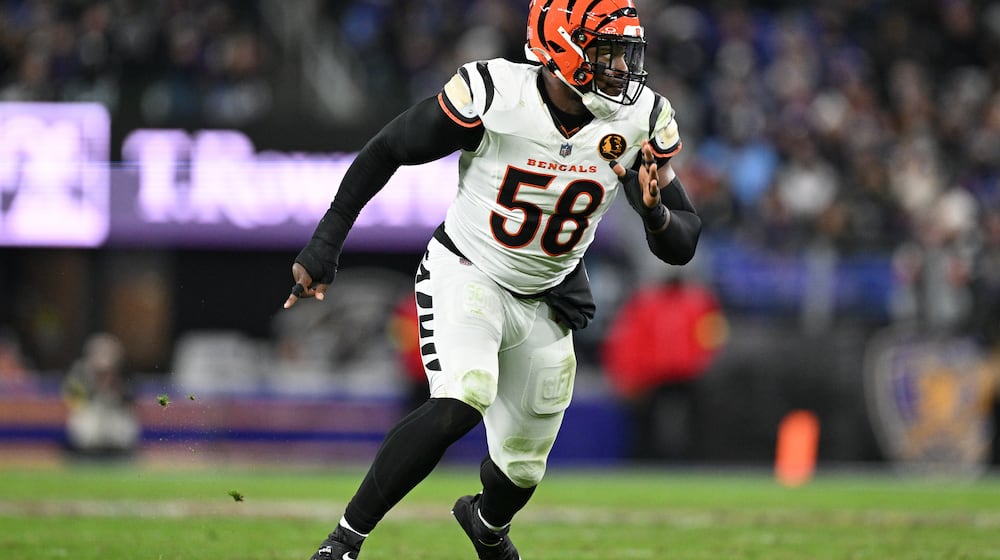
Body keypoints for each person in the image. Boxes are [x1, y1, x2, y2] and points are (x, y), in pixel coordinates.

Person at [282, 1, 701, 558]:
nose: (621, 69)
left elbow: (684, 241)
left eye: (625, 53)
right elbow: (389, 148)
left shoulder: (640, 118)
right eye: (606, 52)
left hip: (548, 293)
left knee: (523, 469)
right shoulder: (494, 94)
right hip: (469, 269)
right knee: (465, 394)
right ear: (562, 48)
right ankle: (344, 541)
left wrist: (655, 215)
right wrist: (327, 242)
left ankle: (486, 524)